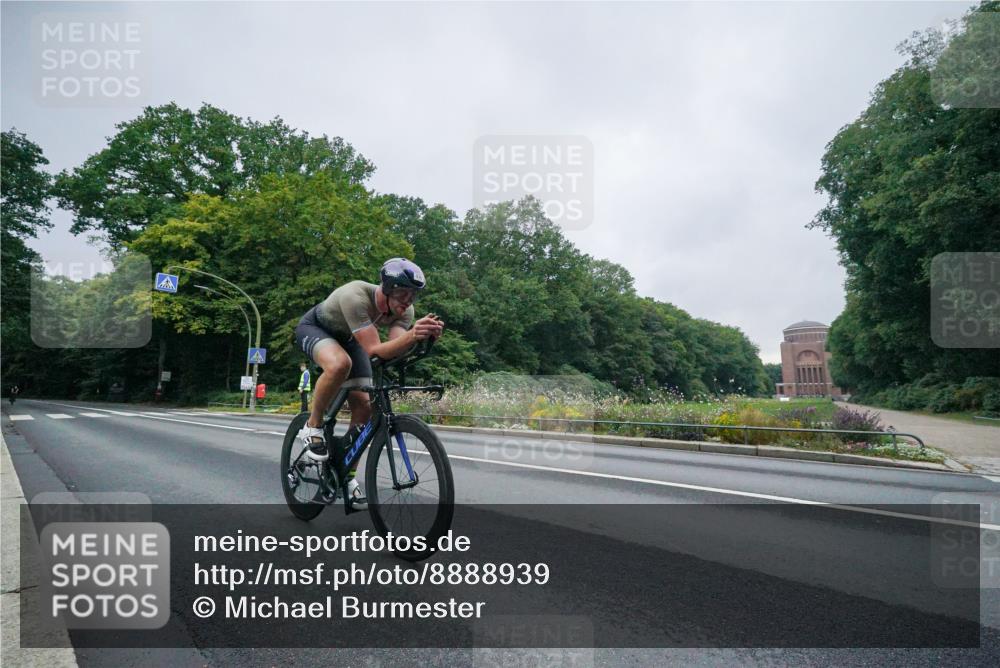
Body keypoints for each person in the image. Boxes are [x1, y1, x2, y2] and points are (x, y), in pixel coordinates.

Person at [293, 258, 443, 509]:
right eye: (402, 293)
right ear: (386, 288)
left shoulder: (406, 311)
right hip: (317, 328)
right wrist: (412, 335)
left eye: (413, 295)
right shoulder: (356, 296)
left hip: (353, 338)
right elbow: (374, 350)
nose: (407, 301)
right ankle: (313, 425)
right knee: (340, 364)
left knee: (364, 408)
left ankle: (347, 475)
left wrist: (420, 337)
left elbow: (393, 349)